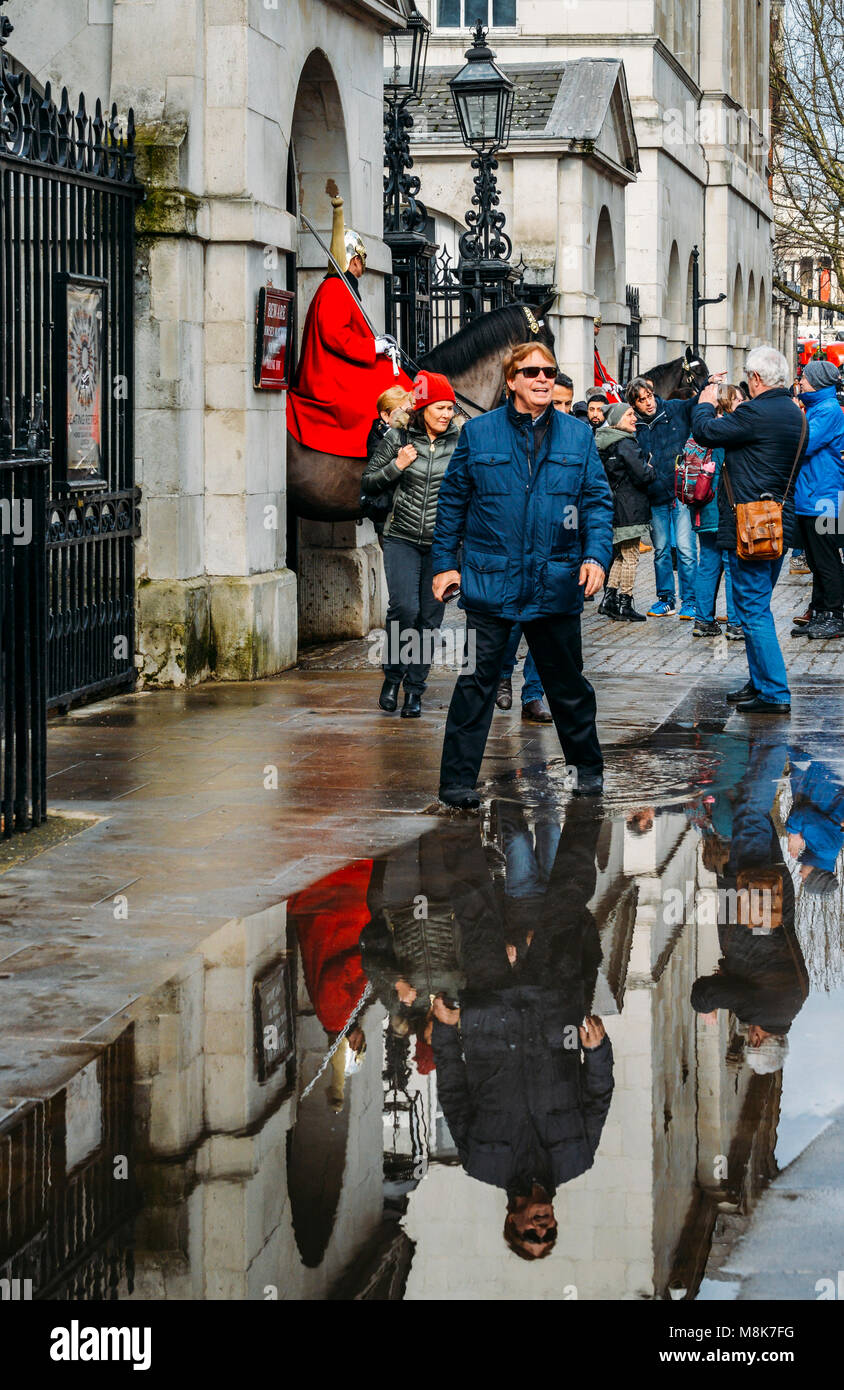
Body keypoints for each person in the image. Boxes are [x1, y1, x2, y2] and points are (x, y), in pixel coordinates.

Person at [431, 340, 613, 809]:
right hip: (493, 581)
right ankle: (456, 782)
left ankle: (587, 771)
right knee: (476, 682)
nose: (542, 380)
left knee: (568, 685)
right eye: (531, 372)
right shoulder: (479, 434)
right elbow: (451, 502)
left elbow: (595, 502)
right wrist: (445, 564)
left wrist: (595, 556)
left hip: (555, 581)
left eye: (549, 372)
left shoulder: (577, 436)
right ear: (511, 380)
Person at [430, 810, 613, 1259]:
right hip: (553, 1003)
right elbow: (598, 1094)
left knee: (473, 908)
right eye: (549, 1237)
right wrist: (598, 1050)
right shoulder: (578, 1159)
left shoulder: (480, 1162)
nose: (542, 1231)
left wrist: (447, 1031)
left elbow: (453, 1090)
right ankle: (589, 800)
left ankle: (456, 815)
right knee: (567, 903)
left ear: (511, 1222)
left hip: (489, 1010)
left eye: (531, 1236)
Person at [692, 345, 807, 714]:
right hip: (778, 522)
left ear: (756, 379)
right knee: (751, 606)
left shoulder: (757, 412)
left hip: (751, 526)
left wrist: (706, 400)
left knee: (754, 611)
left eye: (748, 377)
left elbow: (706, 432)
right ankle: (759, 683)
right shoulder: (795, 414)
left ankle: (774, 692)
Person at [363, 369, 459, 718]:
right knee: (405, 609)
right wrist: (397, 466)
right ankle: (392, 678)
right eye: (440, 408)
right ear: (423, 408)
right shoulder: (398, 437)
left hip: (442, 544)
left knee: (429, 618)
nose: (447, 415)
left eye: (450, 408)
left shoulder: (461, 441)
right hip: (401, 537)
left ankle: (414, 690)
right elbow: (369, 481)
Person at [287, 191, 411, 457]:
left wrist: (379, 344)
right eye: (361, 263)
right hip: (328, 376)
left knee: (394, 379)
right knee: (391, 390)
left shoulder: (341, 288)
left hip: (341, 366)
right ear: (355, 260)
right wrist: (374, 347)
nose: (362, 269)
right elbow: (336, 336)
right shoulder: (334, 289)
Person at [628, 375, 699, 618]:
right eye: (641, 400)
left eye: (648, 396)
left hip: (680, 492)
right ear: (634, 404)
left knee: (686, 549)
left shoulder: (673, 409)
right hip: (656, 494)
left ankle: (690, 600)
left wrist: (709, 383)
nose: (648, 403)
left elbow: (696, 403)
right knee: (660, 551)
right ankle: (665, 598)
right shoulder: (635, 426)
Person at [684, 383, 743, 639]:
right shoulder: (728, 430)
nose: (744, 402)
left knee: (708, 562)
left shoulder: (702, 427)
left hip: (702, 507)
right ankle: (735, 622)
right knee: (732, 565)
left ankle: (703, 620)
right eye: (739, 399)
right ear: (729, 402)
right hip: (723, 507)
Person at [791, 359, 844, 640]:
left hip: (826, 498)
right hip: (813, 496)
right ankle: (821, 611)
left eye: (805, 378)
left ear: (818, 383)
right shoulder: (816, 408)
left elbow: (804, 444)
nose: (800, 381)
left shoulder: (828, 410)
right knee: (815, 558)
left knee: (826, 559)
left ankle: (834, 615)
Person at [594, 402, 654, 622]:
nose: (634, 418)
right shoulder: (626, 444)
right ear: (618, 420)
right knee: (631, 556)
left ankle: (608, 600)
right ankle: (625, 602)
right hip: (630, 507)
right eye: (629, 414)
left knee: (620, 555)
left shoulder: (606, 443)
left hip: (616, 507)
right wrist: (650, 469)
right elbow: (642, 475)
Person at [365, 385, 412, 460]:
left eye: (410, 410)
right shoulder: (377, 440)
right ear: (385, 416)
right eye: (403, 411)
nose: (410, 415)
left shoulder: (411, 428)